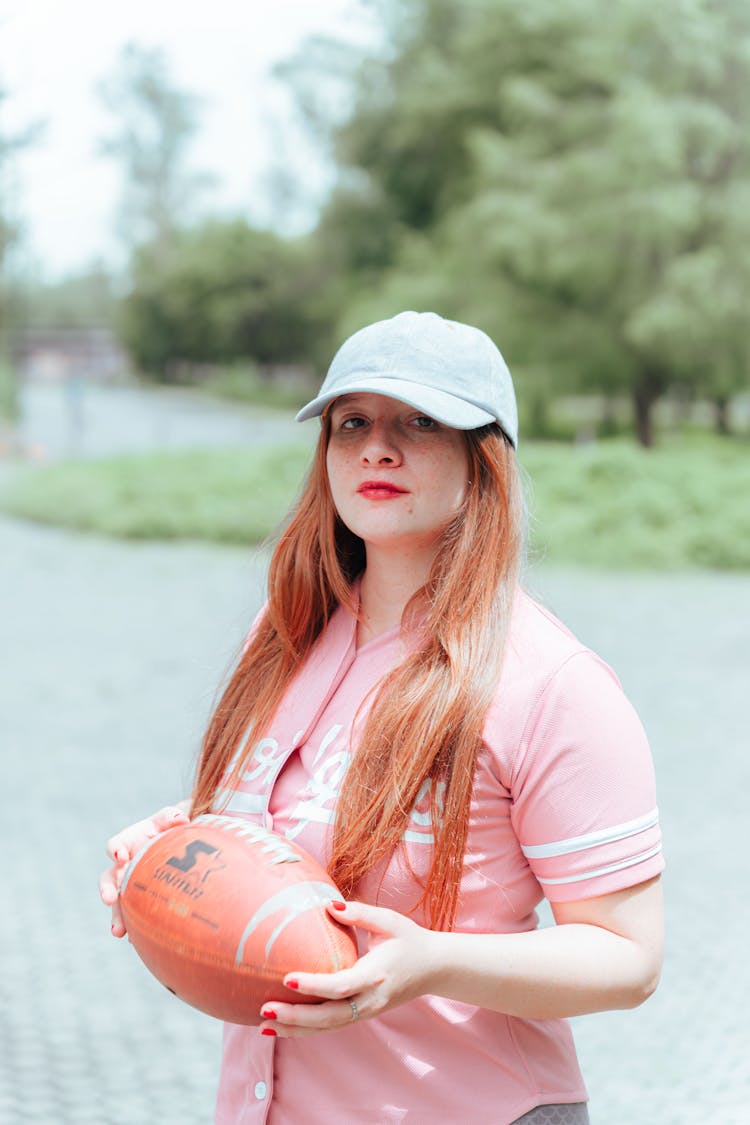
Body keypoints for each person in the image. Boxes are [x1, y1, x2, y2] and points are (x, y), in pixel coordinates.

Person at [100, 311, 664, 1125]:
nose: (378, 448)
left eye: (421, 422)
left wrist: (430, 963)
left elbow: (629, 957)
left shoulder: (551, 683)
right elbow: (274, 840)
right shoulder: (288, 632)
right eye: (352, 422)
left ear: (486, 460)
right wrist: (171, 849)